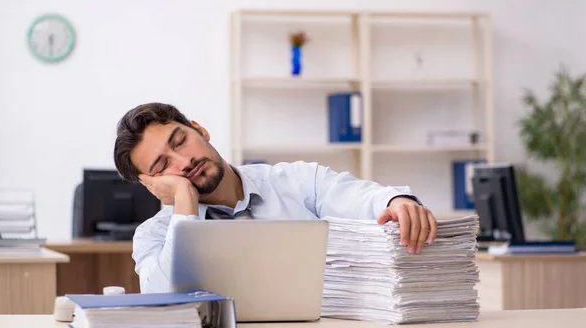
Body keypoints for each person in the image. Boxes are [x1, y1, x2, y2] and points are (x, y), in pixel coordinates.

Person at [113, 102, 438, 294]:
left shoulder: (298, 181)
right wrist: (184, 198)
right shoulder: (153, 236)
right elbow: (167, 306)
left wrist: (397, 201)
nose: (184, 163)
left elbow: (359, 197)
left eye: (181, 141)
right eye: (163, 165)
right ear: (153, 183)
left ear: (200, 129)